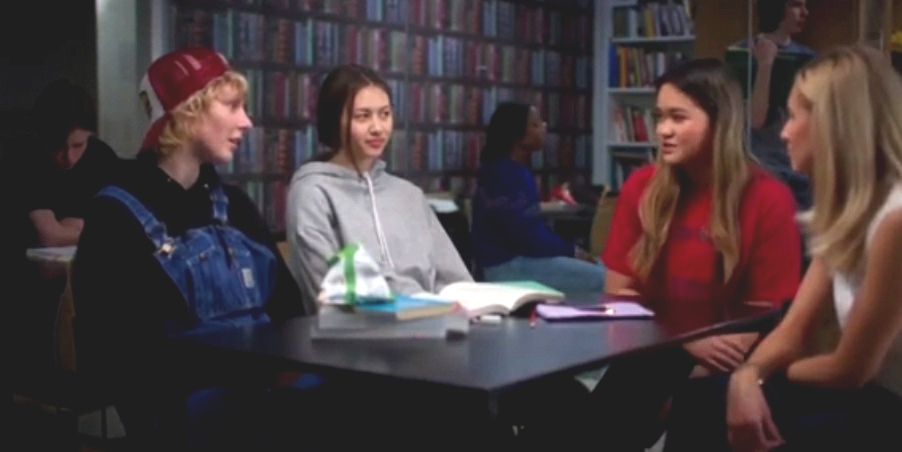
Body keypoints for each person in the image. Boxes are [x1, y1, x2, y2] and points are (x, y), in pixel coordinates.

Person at [669, 45, 902, 451]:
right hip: (887, 399)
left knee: (750, 429)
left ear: (833, 126)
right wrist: (747, 377)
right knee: (702, 402)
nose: (783, 132)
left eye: (794, 116)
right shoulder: (852, 209)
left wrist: (759, 378)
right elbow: (794, 330)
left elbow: (850, 370)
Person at [72, 47, 307, 449]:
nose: (246, 121)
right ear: (185, 111)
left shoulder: (237, 206)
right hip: (185, 419)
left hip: (264, 398)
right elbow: (117, 359)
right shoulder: (115, 216)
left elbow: (289, 313)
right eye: (231, 105)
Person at [580, 58, 803, 450]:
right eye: (659, 117)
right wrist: (684, 339)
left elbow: (769, 312)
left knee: (699, 408)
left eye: (679, 117)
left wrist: (698, 368)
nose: (663, 130)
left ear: (719, 122)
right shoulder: (642, 188)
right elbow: (620, 293)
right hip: (656, 343)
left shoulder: (768, 197)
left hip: (737, 352)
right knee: (594, 425)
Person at [286, 64, 473, 307]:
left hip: (432, 330)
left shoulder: (410, 196)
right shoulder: (313, 193)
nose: (378, 128)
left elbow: (455, 282)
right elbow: (329, 296)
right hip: (356, 337)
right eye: (363, 116)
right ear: (335, 121)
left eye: (384, 114)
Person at [470, 102, 604, 292]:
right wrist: (571, 251)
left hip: (517, 260)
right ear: (517, 136)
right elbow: (526, 237)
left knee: (605, 269)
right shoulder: (506, 175)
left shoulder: (510, 170)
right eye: (535, 124)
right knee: (604, 279)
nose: (544, 127)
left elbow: (531, 229)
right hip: (507, 268)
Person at [728, 0, 815, 210]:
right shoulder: (742, 53)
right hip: (761, 162)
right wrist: (765, 65)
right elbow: (756, 119)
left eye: (805, 6)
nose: (804, 13)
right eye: (796, 5)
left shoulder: (808, 57)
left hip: (798, 166)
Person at [22, 79, 122, 246]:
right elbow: (50, 237)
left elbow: (120, 225)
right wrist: (91, 229)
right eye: (56, 146)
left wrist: (69, 229)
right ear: (40, 137)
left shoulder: (101, 158)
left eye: (78, 145)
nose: (69, 157)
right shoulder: (27, 158)